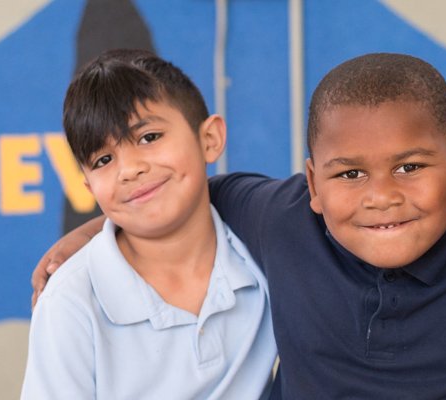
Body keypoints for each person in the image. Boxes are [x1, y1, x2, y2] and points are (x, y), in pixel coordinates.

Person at [32, 53, 446, 398]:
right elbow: (179, 194)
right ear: (313, 184)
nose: (381, 196)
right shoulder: (283, 222)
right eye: (350, 174)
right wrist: (99, 229)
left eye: (410, 167)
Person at [21, 49, 275, 398]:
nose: (130, 169)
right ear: (90, 188)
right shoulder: (71, 301)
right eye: (103, 160)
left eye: (149, 137)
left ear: (210, 139)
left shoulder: (264, 254)